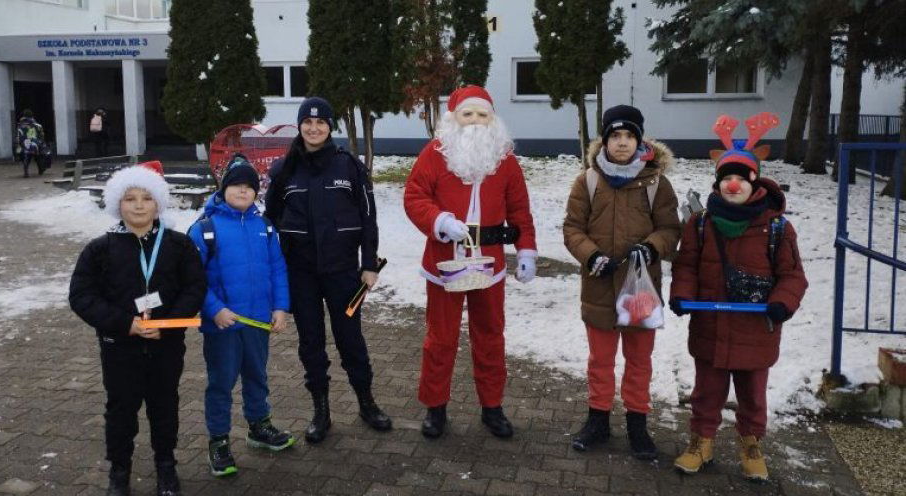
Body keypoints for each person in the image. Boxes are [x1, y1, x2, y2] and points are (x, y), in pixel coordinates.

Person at [669, 113, 807, 481]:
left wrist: (782, 303)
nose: (732, 185)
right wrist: (682, 295)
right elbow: (686, 266)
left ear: (754, 181)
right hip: (710, 325)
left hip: (755, 329)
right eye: (725, 178)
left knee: (752, 394)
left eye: (740, 178)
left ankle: (751, 444)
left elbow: (792, 275)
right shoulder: (700, 223)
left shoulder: (776, 227)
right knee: (707, 392)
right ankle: (702, 441)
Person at [403, 85, 538, 439]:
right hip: (444, 263)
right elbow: (415, 196)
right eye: (468, 114)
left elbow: (520, 209)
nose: (476, 121)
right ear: (453, 118)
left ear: (493, 119)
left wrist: (526, 249)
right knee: (441, 338)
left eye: (482, 114)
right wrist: (440, 221)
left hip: (490, 265)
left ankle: (492, 407)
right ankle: (436, 407)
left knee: (491, 336)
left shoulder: (505, 159)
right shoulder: (434, 154)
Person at [69, 163, 206, 496]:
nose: (139, 205)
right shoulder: (99, 249)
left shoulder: (177, 245)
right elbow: (82, 296)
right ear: (118, 203)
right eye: (130, 198)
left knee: (165, 406)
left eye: (147, 197)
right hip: (119, 346)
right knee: (121, 409)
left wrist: (167, 324)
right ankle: (119, 470)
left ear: (158, 203)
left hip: (165, 345)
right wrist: (124, 323)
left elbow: (194, 287)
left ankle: (166, 466)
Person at [264, 96, 391, 444]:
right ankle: (321, 411)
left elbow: (368, 218)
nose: (314, 127)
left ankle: (367, 403)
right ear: (300, 124)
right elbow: (269, 221)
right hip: (300, 273)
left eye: (321, 123)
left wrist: (369, 264)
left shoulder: (348, 166)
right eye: (308, 122)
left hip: (343, 273)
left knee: (351, 341)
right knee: (312, 344)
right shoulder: (284, 169)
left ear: (329, 127)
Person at [562, 104, 681, 459]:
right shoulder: (589, 181)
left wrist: (651, 247)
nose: (623, 143)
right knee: (600, 360)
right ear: (605, 140)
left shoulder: (656, 183)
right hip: (599, 286)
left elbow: (670, 229)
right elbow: (572, 228)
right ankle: (597, 420)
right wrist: (590, 254)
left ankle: (637, 424)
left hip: (640, 289)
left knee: (639, 360)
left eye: (630, 135)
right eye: (616, 135)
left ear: (640, 139)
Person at [187, 155, 296, 477]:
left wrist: (280, 307)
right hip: (222, 325)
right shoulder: (204, 229)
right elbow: (193, 279)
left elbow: (277, 268)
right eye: (236, 184)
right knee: (221, 383)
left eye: (250, 186)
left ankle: (258, 425)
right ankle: (219, 440)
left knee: (256, 375)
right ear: (223, 189)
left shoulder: (265, 226)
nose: (243, 191)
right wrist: (215, 310)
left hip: (258, 322)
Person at [15, 109, 47, 177]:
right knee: (38, 156)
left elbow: (18, 136)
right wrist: (41, 142)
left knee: (27, 158)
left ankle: (26, 172)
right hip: (35, 143)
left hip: (24, 144)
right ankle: (41, 170)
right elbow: (41, 135)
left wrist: (19, 144)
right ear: (32, 115)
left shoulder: (20, 125)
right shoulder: (37, 125)